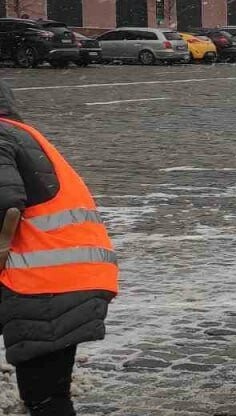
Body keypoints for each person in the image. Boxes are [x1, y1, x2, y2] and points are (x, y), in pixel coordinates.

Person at [0, 82, 119, 415]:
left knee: (46, 400)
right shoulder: (19, 133)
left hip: (44, 280)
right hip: (71, 271)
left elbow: (6, 204)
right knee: (49, 395)